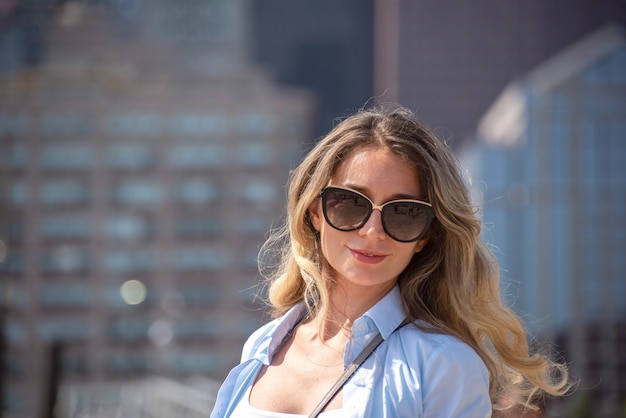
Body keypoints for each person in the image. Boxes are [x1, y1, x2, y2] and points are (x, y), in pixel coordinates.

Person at [210, 104, 570, 417]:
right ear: (315, 212)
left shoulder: (443, 365)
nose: (373, 230)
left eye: (404, 212)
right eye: (350, 203)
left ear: (425, 236)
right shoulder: (263, 345)